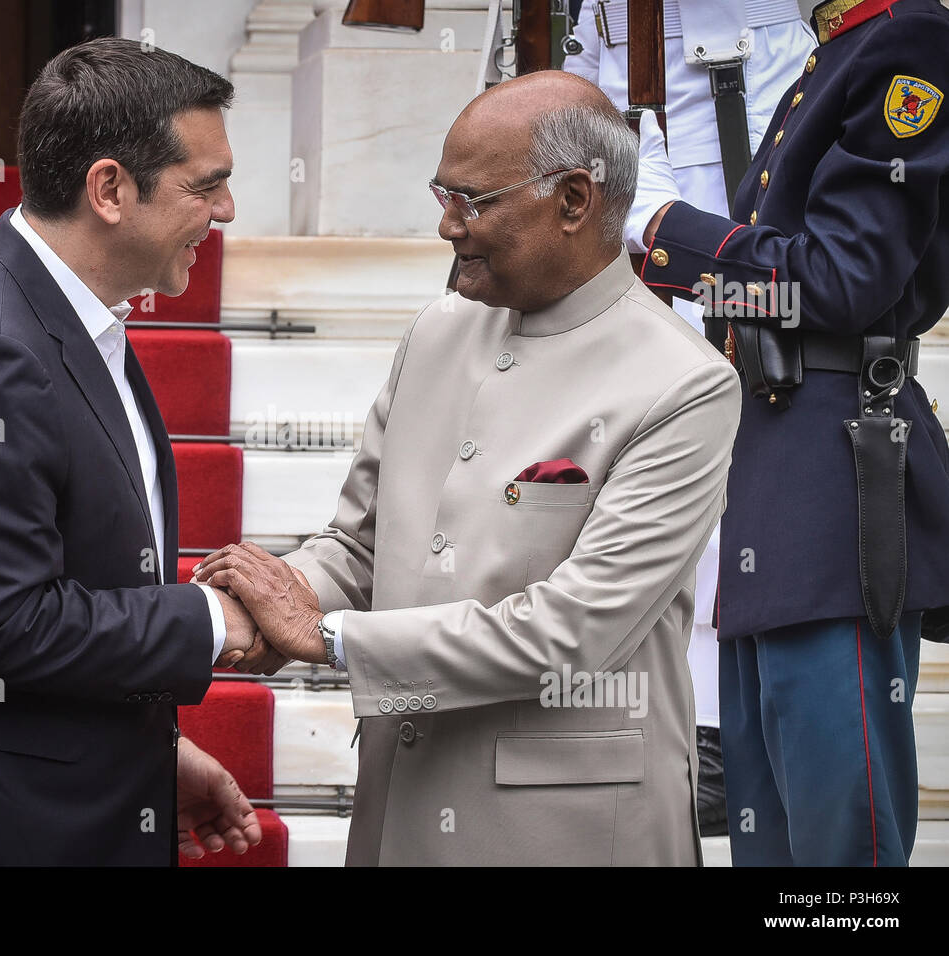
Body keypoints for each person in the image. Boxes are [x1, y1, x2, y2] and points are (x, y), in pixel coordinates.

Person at [196, 70, 742, 866]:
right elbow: (362, 544)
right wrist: (248, 605)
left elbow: (572, 633)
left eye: (473, 200)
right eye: (441, 193)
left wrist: (327, 636)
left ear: (574, 201)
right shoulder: (441, 331)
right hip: (402, 807)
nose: (448, 226)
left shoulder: (683, 383)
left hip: (568, 832)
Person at [0, 38, 274, 866]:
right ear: (109, 188)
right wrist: (218, 618)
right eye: (206, 186)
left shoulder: (67, 315)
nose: (226, 212)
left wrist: (152, 755)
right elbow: (6, 625)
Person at [638, 0, 949, 865]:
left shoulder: (907, 37)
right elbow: (772, 288)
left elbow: (846, 285)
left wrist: (668, 230)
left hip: (828, 462)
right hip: (772, 460)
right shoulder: (839, 46)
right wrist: (662, 250)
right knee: (768, 831)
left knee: (833, 833)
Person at [563, 0, 818, 837]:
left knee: (709, 414)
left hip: (721, 81)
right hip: (596, 59)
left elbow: (793, 290)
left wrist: (659, 216)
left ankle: (710, 725)